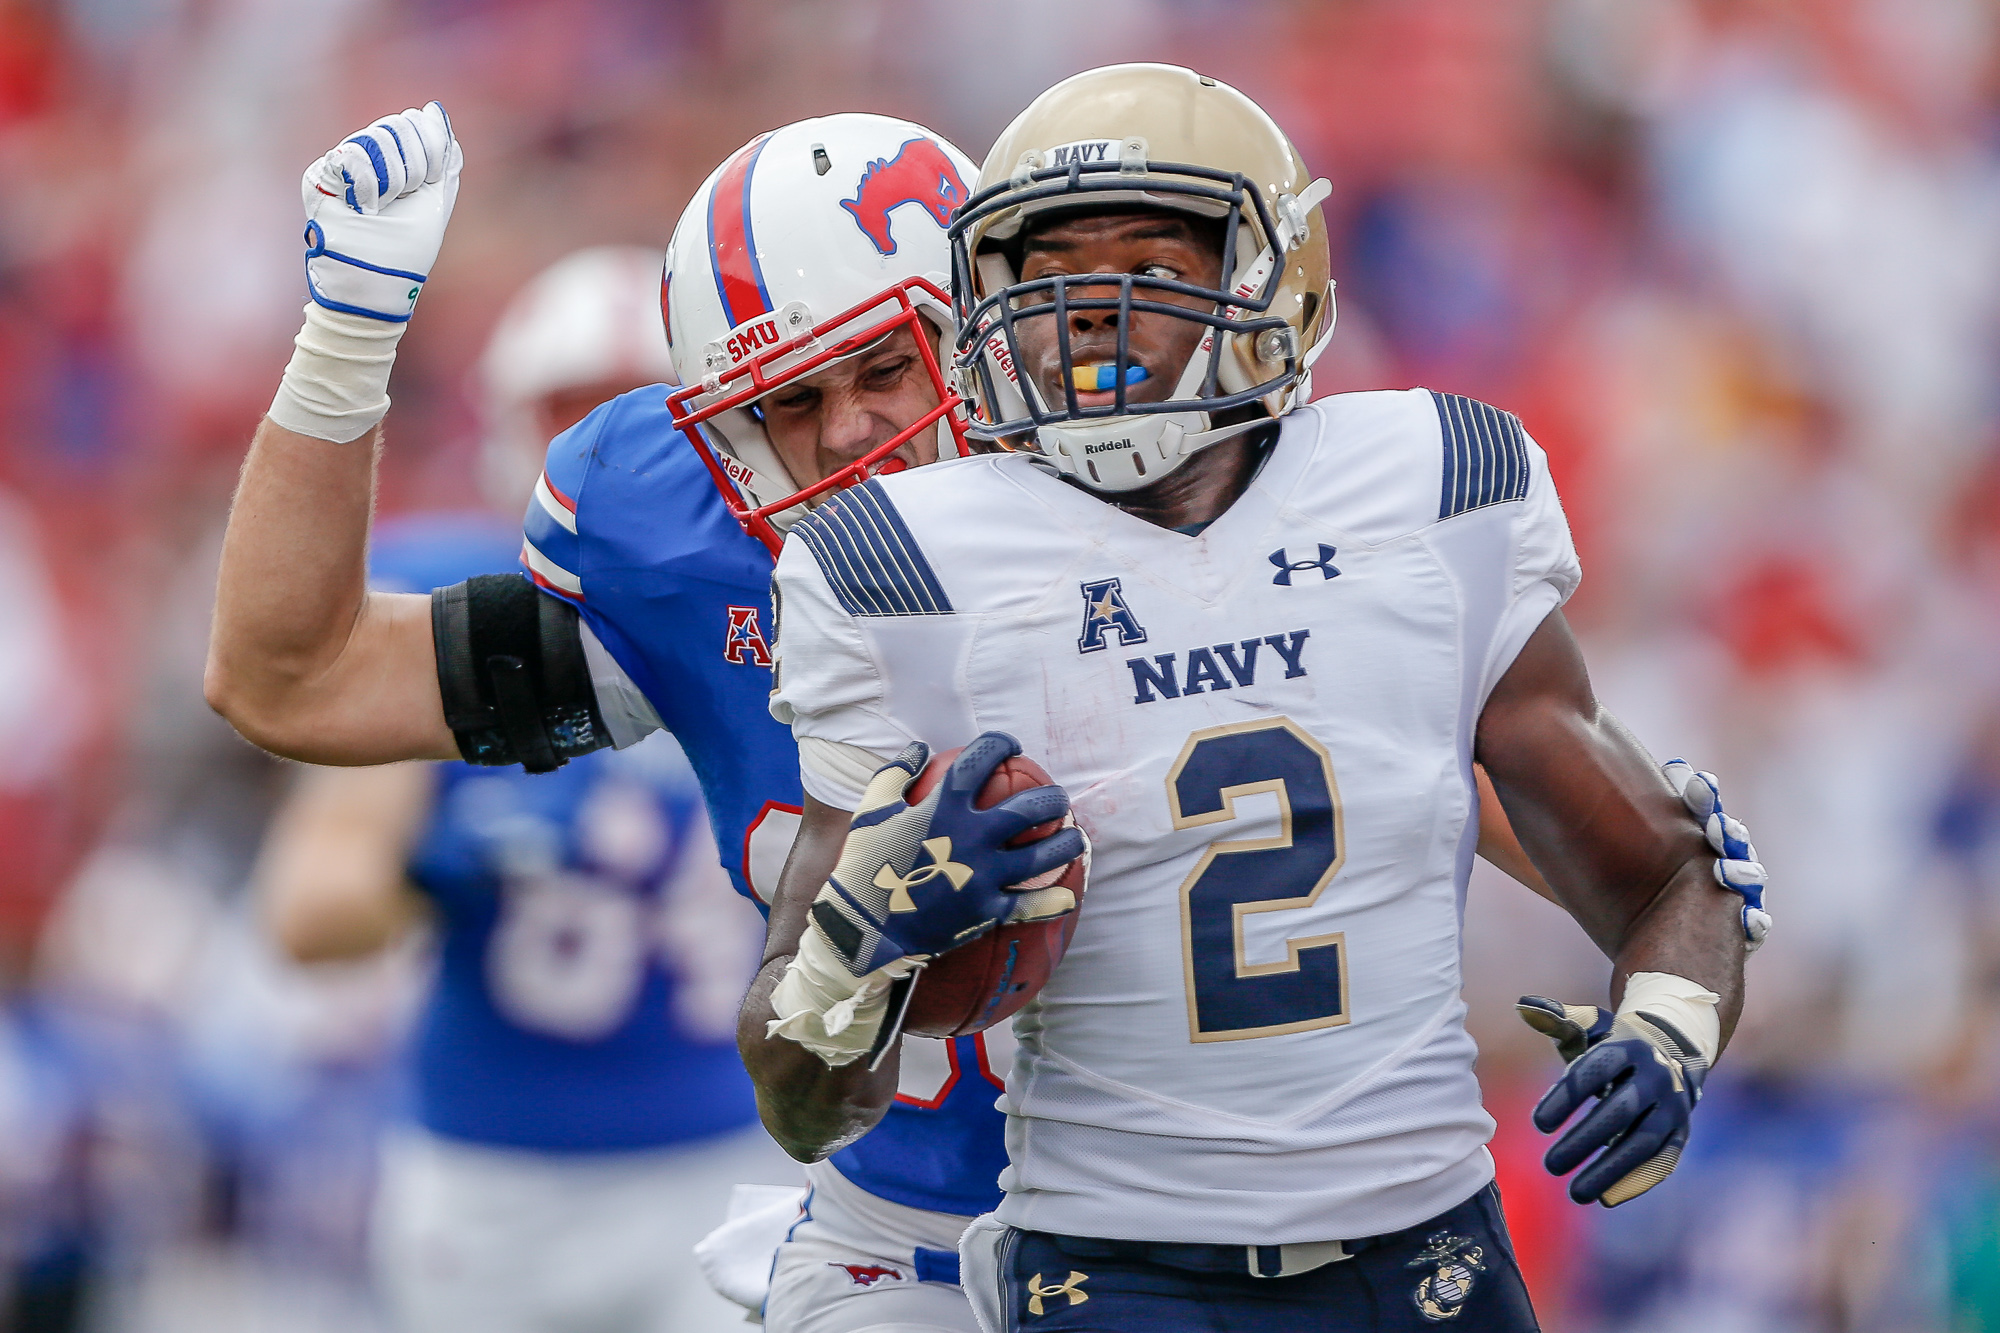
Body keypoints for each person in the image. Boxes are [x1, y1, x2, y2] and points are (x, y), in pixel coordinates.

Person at [202, 98, 1726, 1333]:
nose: (853, 433)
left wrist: (1674, 896)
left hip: (1248, 1249)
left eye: (887, 365)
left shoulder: (1214, 492)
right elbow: (297, 678)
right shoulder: (698, 557)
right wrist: (344, 344)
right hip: (906, 1247)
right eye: (789, 406)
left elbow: (1467, 794)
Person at [758, 64, 1769, 1333]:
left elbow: (1671, 874)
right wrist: (865, 933)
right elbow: (797, 1096)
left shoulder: (1428, 489)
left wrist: (1665, 1032)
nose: (1087, 307)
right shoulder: (902, 564)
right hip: (1111, 1270)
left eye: (1145, 258)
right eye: (1047, 270)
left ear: (1267, 278)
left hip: (1424, 1257)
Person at [249, 246, 792, 1333]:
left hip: (724, 1155)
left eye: (640, 409)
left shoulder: (793, 595)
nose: (604, 445)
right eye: (571, 410)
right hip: (491, 1176)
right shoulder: (445, 603)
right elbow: (308, 916)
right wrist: (439, 864)